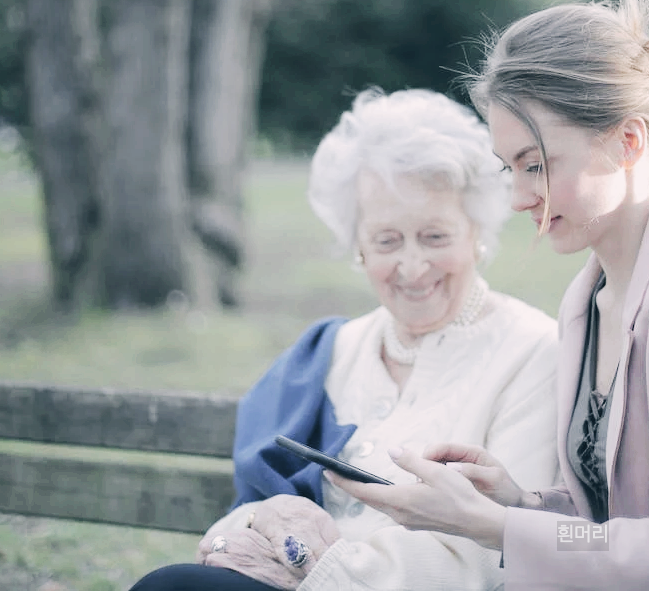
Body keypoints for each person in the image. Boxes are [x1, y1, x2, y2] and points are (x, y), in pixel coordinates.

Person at [128, 88, 559, 591]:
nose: (413, 266)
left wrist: (320, 568)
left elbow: (492, 553)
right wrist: (263, 520)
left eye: (436, 236)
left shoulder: (534, 351)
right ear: (358, 247)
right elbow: (239, 520)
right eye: (386, 241)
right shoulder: (331, 351)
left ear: (476, 233)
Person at [327, 2, 649, 590]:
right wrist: (519, 502)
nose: (520, 198)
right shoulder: (585, 308)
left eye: (537, 165)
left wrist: (501, 528)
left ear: (627, 141)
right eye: (509, 170)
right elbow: (604, 526)